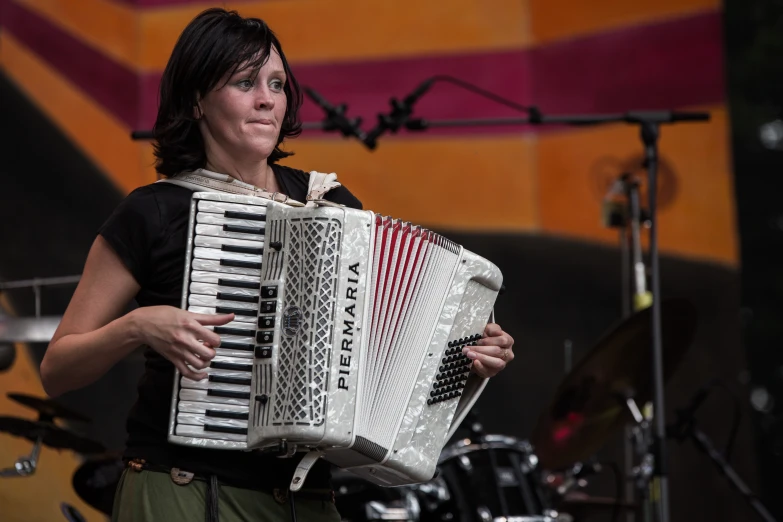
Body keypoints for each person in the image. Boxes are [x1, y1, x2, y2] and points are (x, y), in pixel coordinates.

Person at [40, 7, 516, 522]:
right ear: (197, 100)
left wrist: (462, 357)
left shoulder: (333, 207)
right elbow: (58, 369)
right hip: (183, 491)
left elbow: (383, 359)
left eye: (276, 84)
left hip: (307, 498)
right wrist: (135, 328)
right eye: (244, 83)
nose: (267, 99)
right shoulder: (153, 212)